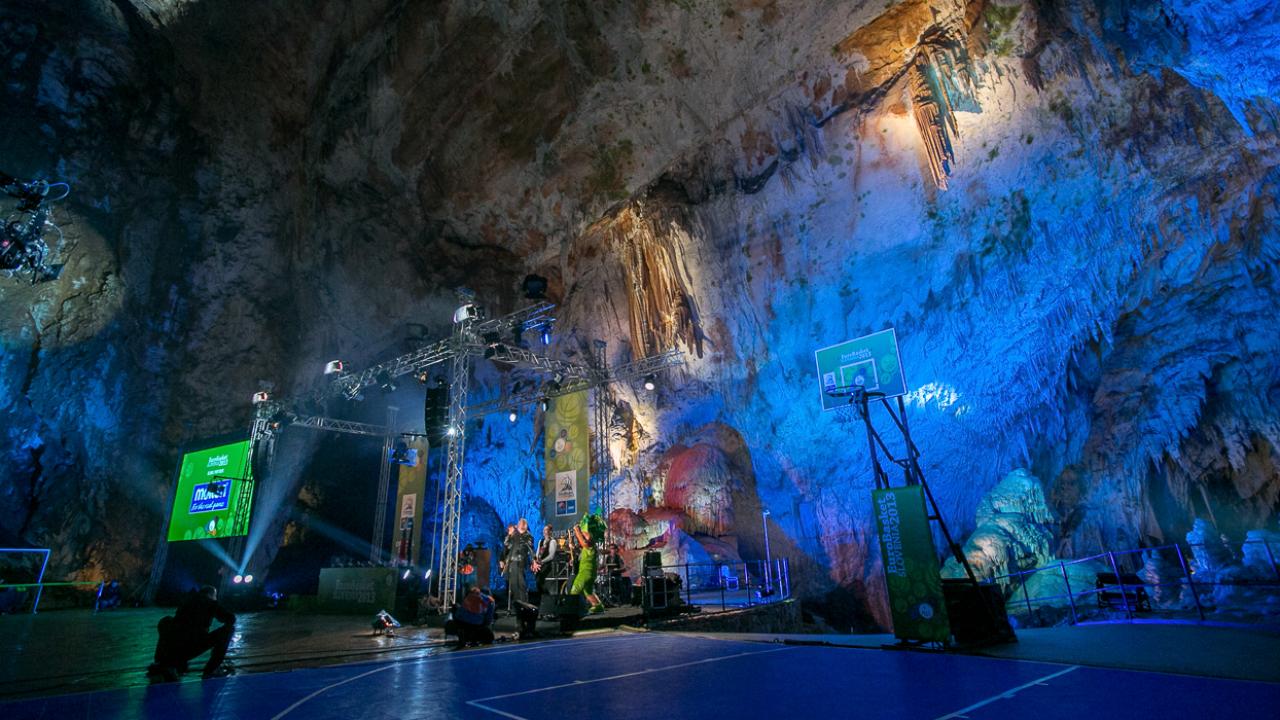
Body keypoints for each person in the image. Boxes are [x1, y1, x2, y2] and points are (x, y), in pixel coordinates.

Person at [148, 585, 236, 682]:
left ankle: (163, 663)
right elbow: (231, 618)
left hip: (172, 649)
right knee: (229, 630)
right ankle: (211, 669)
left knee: (166, 621)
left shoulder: (186, 601)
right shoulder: (210, 603)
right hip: (190, 647)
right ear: (211, 595)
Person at [569, 515, 607, 614]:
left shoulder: (590, 544)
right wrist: (574, 547)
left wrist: (577, 531)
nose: (584, 533)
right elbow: (582, 548)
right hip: (589, 572)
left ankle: (571, 610)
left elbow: (584, 543)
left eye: (586, 533)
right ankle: (598, 606)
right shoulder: (589, 546)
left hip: (586, 572)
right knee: (588, 591)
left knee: (575, 590)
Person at [503, 519, 534, 607]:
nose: (519, 524)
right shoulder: (514, 535)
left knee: (521, 584)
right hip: (512, 562)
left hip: (521, 561)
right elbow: (507, 544)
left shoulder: (528, 536)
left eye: (521, 523)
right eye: (519, 523)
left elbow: (529, 547)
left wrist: (518, 534)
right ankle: (517, 605)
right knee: (513, 585)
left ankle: (524, 604)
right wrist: (509, 535)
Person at [531, 524, 557, 596]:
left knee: (543, 582)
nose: (544, 532)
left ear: (550, 531)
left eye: (546, 530)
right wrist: (535, 562)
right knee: (538, 582)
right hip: (540, 564)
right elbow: (537, 553)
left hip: (547, 565)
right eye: (544, 530)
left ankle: (546, 597)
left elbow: (551, 556)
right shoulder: (541, 541)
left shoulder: (553, 541)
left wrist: (542, 561)